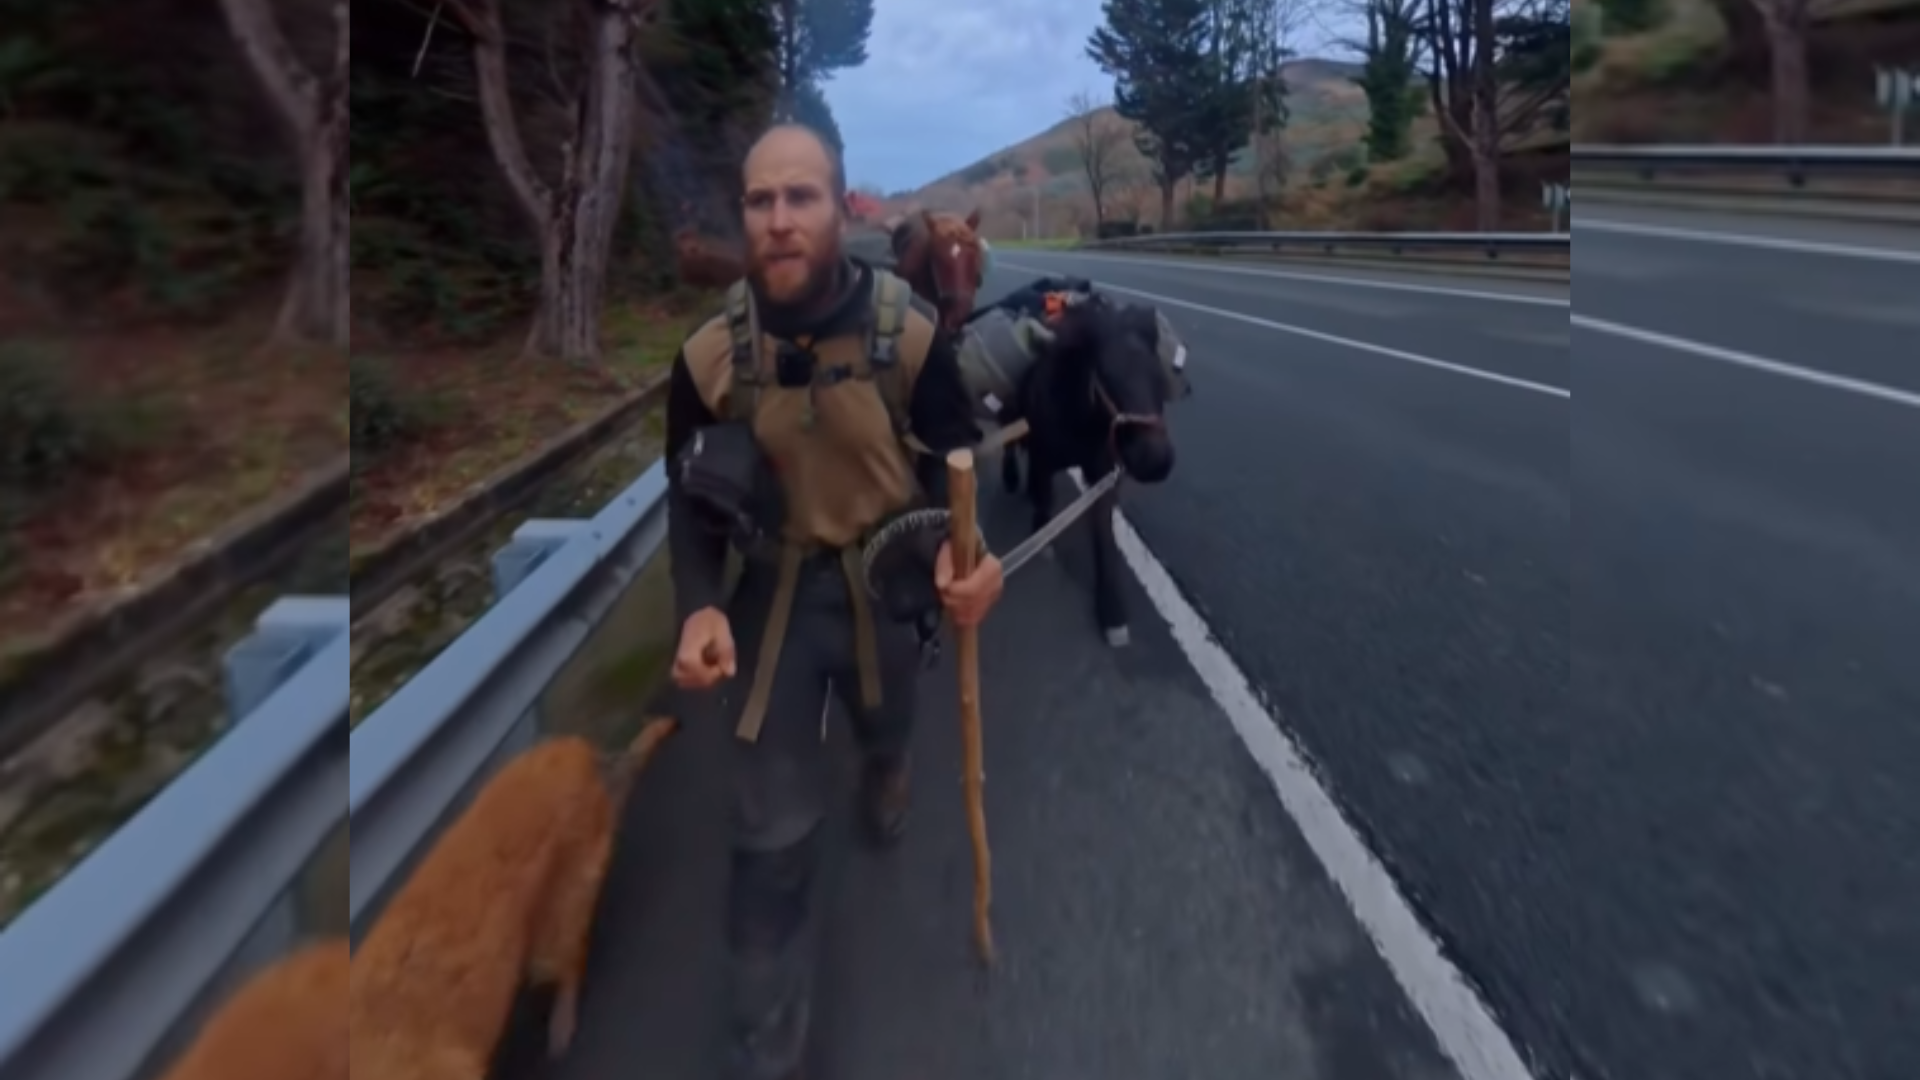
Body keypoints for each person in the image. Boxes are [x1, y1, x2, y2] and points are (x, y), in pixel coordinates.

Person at [661, 122, 1006, 1080]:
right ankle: (767, 1050)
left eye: (800, 197)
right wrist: (698, 606)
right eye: (760, 201)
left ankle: (887, 765)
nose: (778, 221)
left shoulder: (912, 336)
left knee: (886, 722)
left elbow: (956, 465)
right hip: (772, 599)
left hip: (887, 583)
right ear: (744, 215)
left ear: (838, 204)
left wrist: (970, 561)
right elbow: (686, 505)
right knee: (767, 838)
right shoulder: (706, 361)